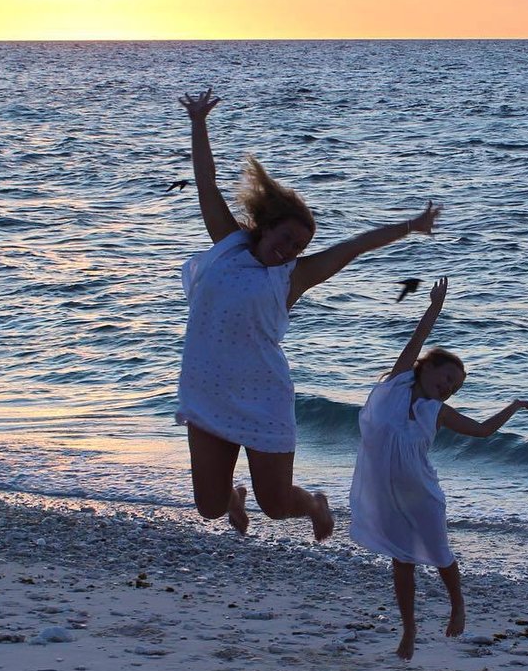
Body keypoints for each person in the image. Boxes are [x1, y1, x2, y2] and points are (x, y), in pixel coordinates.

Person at [177, 87, 440, 543]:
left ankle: (316, 502)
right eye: (286, 238)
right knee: (209, 507)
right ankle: (232, 499)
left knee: (277, 506)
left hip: (264, 396)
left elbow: (354, 247)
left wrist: (410, 227)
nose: (289, 250)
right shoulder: (227, 246)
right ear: (266, 226)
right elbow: (206, 183)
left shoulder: (291, 278)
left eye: (299, 247)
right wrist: (199, 123)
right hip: (209, 391)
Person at [348, 276, 528, 660]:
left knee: (440, 555)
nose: (449, 388)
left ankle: (458, 604)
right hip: (384, 495)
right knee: (401, 561)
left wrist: (515, 406)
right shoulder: (395, 385)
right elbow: (417, 339)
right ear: (427, 368)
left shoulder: (437, 412)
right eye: (448, 378)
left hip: (421, 495)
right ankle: (409, 630)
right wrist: (434, 306)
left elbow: (483, 431)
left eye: (456, 387)